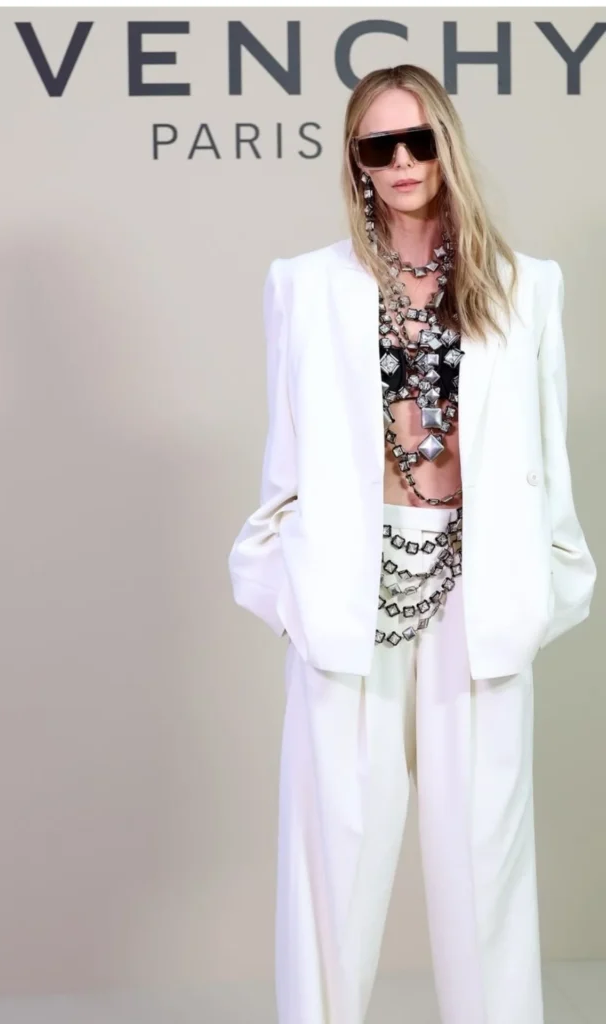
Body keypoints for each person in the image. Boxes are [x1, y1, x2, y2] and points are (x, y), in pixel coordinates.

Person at [227, 64, 596, 1024]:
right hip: (349, 586)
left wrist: (549, 589)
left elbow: (548, 465)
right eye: (377, 145)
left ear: (447, 146)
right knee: (331, 861)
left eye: (418, 140)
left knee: (486, 869)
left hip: (480, 584)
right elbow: (286, 463)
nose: (400, 160)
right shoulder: (304, 286)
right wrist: (287, 594)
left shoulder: (525, 286)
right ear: (355, 161)